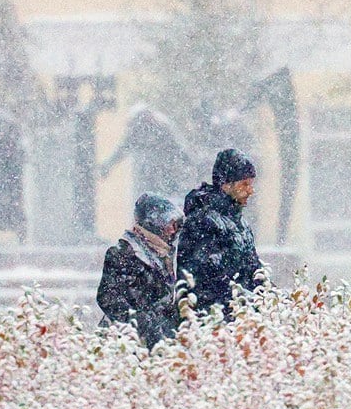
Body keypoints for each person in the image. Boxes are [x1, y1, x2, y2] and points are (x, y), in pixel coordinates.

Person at [177, 148, 263, 316]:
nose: (251, 190)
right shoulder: (203, 222)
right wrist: (245, 303)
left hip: (239, 316)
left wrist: (277, 299)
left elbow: (255, 271)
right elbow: (203, 277)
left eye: (251, 184)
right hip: (213, 320)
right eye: (244, 184)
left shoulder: (240, 223)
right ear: (226, 185)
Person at [97, 192, 184, 348]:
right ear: (153, 223)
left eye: (175, 226)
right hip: (124, 343)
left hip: (158, 341)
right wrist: (142, 324)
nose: (173, 231)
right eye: (169, 224)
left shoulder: (165, 256)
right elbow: (108, 297)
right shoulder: (122, 254)